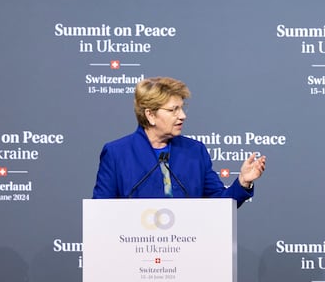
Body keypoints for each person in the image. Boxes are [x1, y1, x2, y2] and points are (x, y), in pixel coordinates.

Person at [93, 77, 266, 205]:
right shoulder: (117, 153)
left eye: (182, 108)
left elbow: (220, 206)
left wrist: (243, 182)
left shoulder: (194, 151)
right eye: (173, 110)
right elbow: (100, 212)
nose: (182, 116)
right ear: (150, 115)